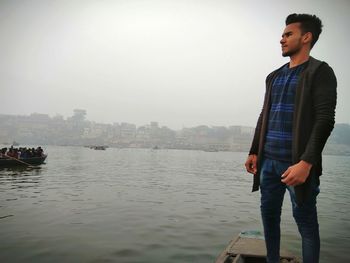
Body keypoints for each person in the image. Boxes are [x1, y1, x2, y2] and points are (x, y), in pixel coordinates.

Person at [245, 14, 337, 263]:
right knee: (269, 218)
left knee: (306, 224)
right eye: (282, 35)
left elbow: (325, 119)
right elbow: (265, 114)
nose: (281, 39)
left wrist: (306, 163)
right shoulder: (274, 76)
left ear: (306, 37)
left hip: (298, 165)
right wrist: (254, 151)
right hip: (268, 163)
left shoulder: (320, 71)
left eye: (288, 35)